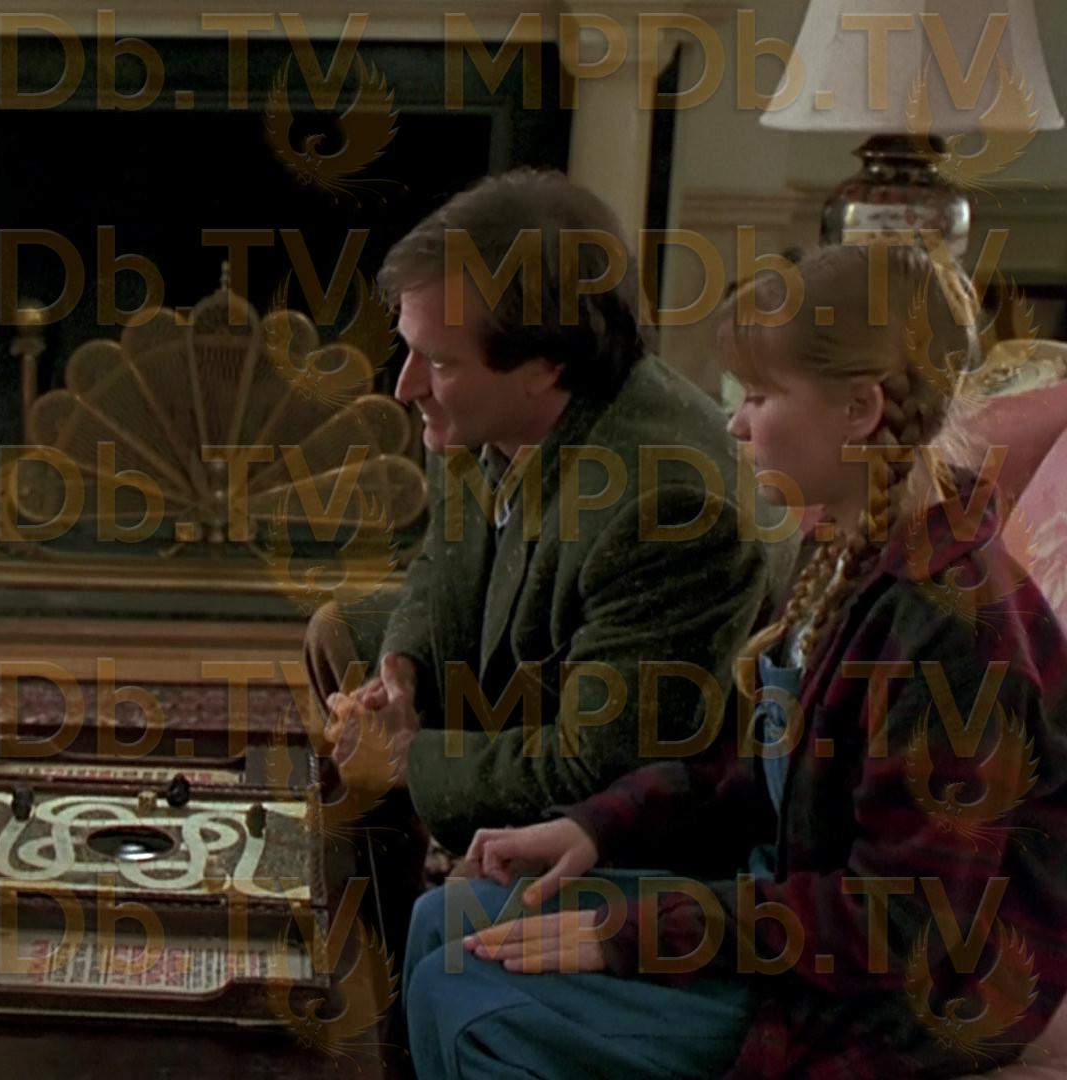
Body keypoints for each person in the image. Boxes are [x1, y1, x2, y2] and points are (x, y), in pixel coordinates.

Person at [403, 243, 1067, 1078]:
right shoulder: (845, 553)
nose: (735, 424)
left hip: (878, 1002)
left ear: (859, 409)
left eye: (758, 396)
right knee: (444, 919)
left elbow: (902, 925)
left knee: (465, 992)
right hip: (778, 924)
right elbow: (750, 771)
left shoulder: (954, 626)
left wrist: (640, 933)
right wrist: (594, 827)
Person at [306, 169, 793, 942]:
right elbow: (441, 563)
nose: (404, 387)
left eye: (437, 362)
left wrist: (405, 758)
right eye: (409, 351)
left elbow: (592, 767)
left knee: (408, 790)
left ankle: (429, 940)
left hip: (648, 798)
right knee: (344, 634)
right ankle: (369, 943)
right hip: (538, 662)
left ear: (543, 365)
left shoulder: (670, 508)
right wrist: (401, 667)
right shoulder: (479, 409)